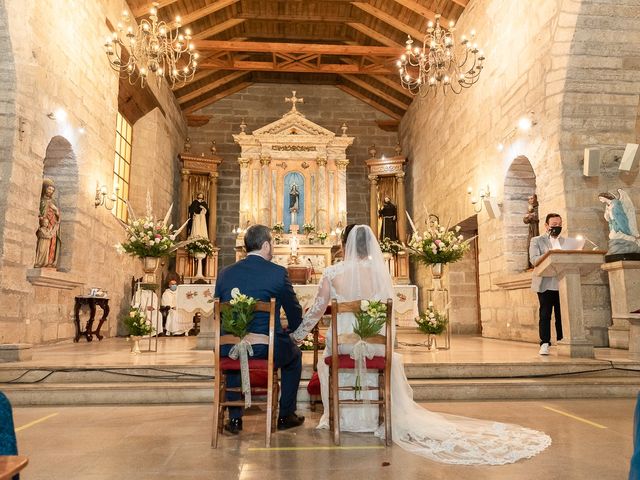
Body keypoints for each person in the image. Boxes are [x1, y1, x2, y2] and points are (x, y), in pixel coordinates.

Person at [292, 224, 551, 464]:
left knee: (326, 363)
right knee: (371, 357)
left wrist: (298, 335)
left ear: (345, 244)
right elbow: (387, 314)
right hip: (375, 345)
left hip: (343, 346)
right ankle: (376, 417)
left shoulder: (333, 273)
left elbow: (316, 310)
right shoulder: (380, 274)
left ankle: (339, 417)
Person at [214, 224, 305, 434]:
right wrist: (290, 328)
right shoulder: (277, 273)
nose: (273, 247)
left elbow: (218, 311)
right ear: (265, 245)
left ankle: (235, 419)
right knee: (294, 357)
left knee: (237, 350)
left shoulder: (225, 273)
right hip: (266, 348)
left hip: (229, 348)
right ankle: (285, 415)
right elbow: (294, 313)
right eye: (272, 243)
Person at [529, 213, 564, 356]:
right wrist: (550, 254)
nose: (557, 227)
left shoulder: (565, 241)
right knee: (545, 314)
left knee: (562, 315)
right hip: (545, 282)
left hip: (562, 283)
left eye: (559, 224)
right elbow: (534, 260)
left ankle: (562, 341)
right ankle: (544, 343)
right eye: (554, 225)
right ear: (546, 226)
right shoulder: (537, 240)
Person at [598, 190, 640, 256]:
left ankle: (633, 239)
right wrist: (607, 213)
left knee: (614, 235)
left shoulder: (616, 203)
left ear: (605, 197)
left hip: (620, 222)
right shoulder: (608, 205)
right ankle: (631, 240)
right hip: (613, 223)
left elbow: (620, 215)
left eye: (600, 198)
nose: (600, 200)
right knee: (611, 236)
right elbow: (607, 218)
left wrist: (612, 211)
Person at [38, 178, 61, 268]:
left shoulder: (53, 202)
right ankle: (41, 261)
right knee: (43, 243)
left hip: (52, 224)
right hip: (44, 224)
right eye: (49, 189)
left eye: (52, 190)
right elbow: (40, 211)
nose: (50, 191)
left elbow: (58, 214)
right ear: (44, 188)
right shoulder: (40, 200)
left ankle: (50, 261)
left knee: (52, 242)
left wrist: (56, 212)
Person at [523, 194, 540, 269]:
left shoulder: (538, 207)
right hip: (531, 229)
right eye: (529, 199)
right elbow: (525, 220)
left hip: (537, 228)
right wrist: (529, 216)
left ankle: (537, 263)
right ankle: (531, 265)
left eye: (532, 198)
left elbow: (537, 217)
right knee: (529, 245)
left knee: (537, 245)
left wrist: (530, 216)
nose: (530, 200)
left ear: (535, 198)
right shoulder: (529, 209)